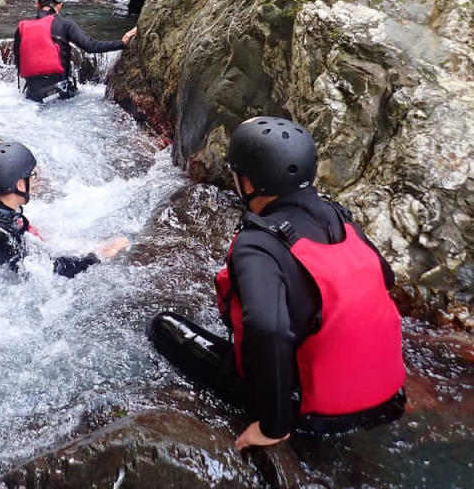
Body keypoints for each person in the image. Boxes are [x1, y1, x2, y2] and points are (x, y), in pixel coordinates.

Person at [149, 116, 405, 450]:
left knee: (162, 325)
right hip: (389, 401)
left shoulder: (256, 244)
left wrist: (272, 425)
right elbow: (386, 277)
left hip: (310, 412)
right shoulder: (339, 217)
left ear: (250, 184)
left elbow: (268, 329)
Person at [0, 142, 127, 276]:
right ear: (19, 184)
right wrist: (97, 257)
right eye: (31, 176)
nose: (34, 180)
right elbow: (50, 269)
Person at [14, 0, 137, 103]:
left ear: (37, 4)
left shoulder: (22, 28)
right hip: (60, 94)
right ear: (60, 6)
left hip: (32, 95)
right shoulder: (65, 24)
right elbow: (90, 46)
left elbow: (19, 63)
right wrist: (121, 43)